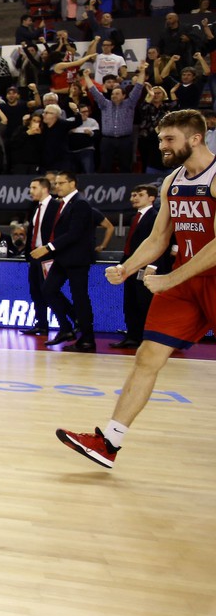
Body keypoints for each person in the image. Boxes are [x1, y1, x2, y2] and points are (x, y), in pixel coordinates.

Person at [57, 111, 216, 468]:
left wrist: (171, 279)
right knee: (147, 356)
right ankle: (108, 442)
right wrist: (128, 268)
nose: (162, 146)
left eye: (169, 139)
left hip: (201, 277)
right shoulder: (172, 181)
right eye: (160, 140)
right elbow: (160, 237)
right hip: (186, 281)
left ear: (195, 139)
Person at [30, 171, 97, 352]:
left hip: (76, 259)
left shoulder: (80, 204)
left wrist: (48, 247)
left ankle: (87, 339)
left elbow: (74, 233)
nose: (57, 186)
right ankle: (67, 327)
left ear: (72, 183)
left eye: (60, 183)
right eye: (56, 183)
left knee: (80, 298)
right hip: (62, 258)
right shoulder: (64, 204)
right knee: (48, 290)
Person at [112, 184, 167, 350]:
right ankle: (132, 336)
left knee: (144, 303)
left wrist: (152, 266)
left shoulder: (156, 216)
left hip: (148, 267)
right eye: (133, 195)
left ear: (151, 198)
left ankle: (147, 338)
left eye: (139, 195)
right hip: (131, 266)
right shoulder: (134, 217)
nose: (134, 198)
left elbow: (160, 242)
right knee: (130, 302)